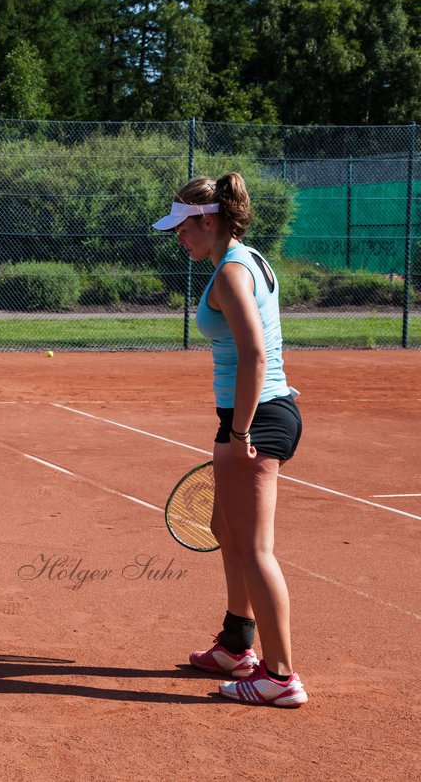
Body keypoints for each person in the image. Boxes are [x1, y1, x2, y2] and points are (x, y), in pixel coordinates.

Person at [153, 172, 307, 707]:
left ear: (209, 220)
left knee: (254, 547)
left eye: (183, 228)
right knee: (224, 527)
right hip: (259, 412)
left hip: (256, 417)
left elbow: (255, 356)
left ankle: (280, 676)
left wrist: (240, 431)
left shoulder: (230, 276)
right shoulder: (246, 259)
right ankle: (238, 643)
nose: (179, 238)